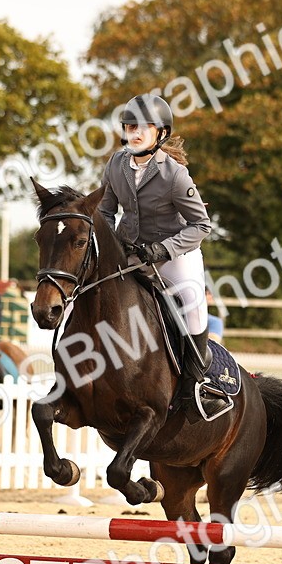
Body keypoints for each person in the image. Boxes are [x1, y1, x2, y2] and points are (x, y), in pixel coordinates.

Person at [97, 93, 228, 417]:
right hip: (132, 253)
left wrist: (162, 249)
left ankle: (196, 385)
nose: (135, 132)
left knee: (194, 302)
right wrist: (110, 244)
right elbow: (106, 211)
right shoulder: (115, 164)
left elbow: (201, 224)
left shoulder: (174, 174)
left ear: (161, 134)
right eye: (130, 126)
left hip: (175, 254)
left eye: (144, 127)